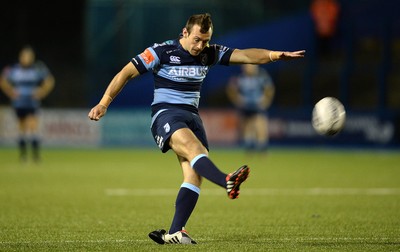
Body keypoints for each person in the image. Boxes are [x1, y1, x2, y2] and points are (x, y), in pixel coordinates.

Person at [88, 13, 305, 244]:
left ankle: (175, 232)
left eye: (206, 40)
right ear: (185, 33)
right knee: (194, 150)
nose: (201, 45)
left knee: (194, 175)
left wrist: (275, 55)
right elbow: (126, 73)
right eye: (197, 39)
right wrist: (104, 102)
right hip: (166, 114)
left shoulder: (209, 53)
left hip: (193, 118)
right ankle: (226, 180)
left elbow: (246, 55)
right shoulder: (161, 52)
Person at [0, 45, 55, 162]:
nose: (26, 58)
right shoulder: (14, 69)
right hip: (19, 103)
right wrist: (10, 92)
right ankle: (23, 156)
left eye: (29, 56)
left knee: (33, 127)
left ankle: (35, 156)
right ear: (20, 57)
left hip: (32, 102)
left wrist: (42, 91)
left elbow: (49, 80)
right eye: (24, 56)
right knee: (21, 129)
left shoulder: (37, 68)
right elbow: (3, 80)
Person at [226, 64, 275, 152]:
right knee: (246, 125)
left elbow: (269, 89)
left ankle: (262, 146)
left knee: (259, 123)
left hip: (257, 105)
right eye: (246, 67)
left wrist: (266, 100)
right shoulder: (240, 77)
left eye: (250, 66)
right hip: (245, 105)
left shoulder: (261, 76)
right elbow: (231, 89)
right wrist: (236, 99)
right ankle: (249, 146)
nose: (248, 68)